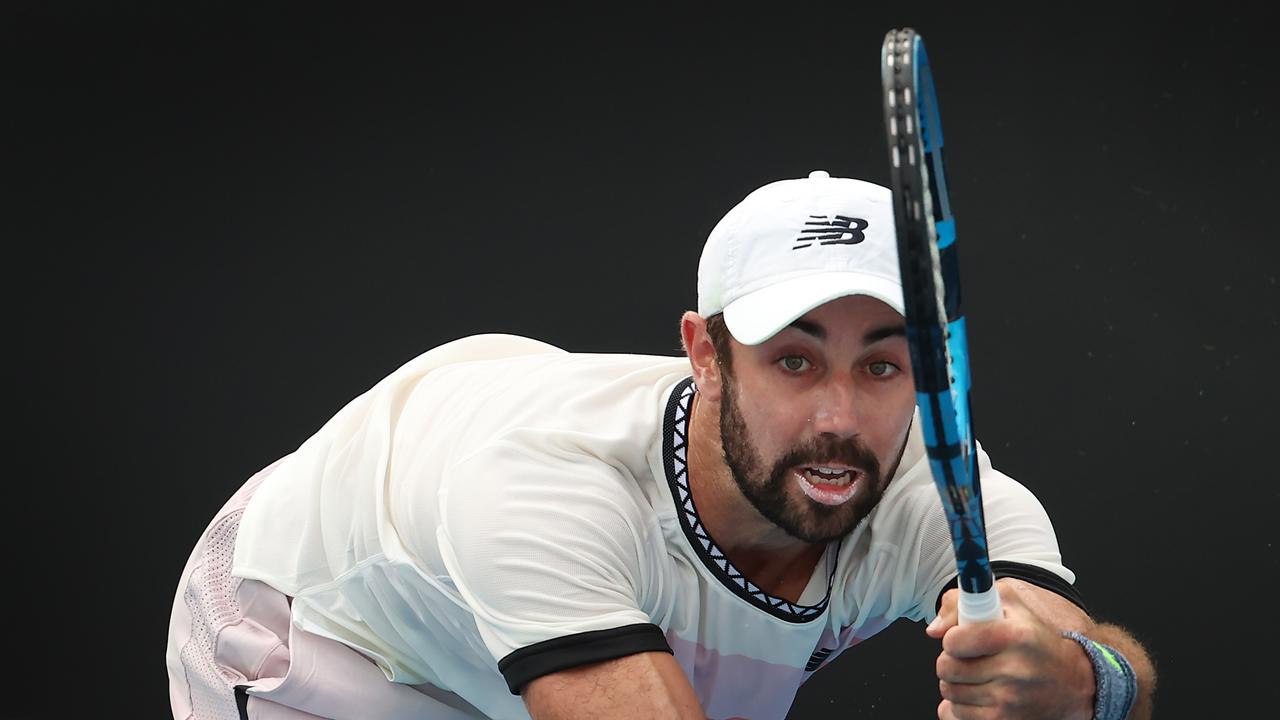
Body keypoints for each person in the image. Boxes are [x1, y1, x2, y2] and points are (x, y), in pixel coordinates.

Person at [166, 170, 1156, 720]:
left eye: (882, 367)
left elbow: (1081, 655)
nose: (839, 422)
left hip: (545, 629)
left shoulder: (944, 489)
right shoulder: (544, 490)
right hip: (333, 637)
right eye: (795, 363)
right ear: (706, 353)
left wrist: (1078, 686)